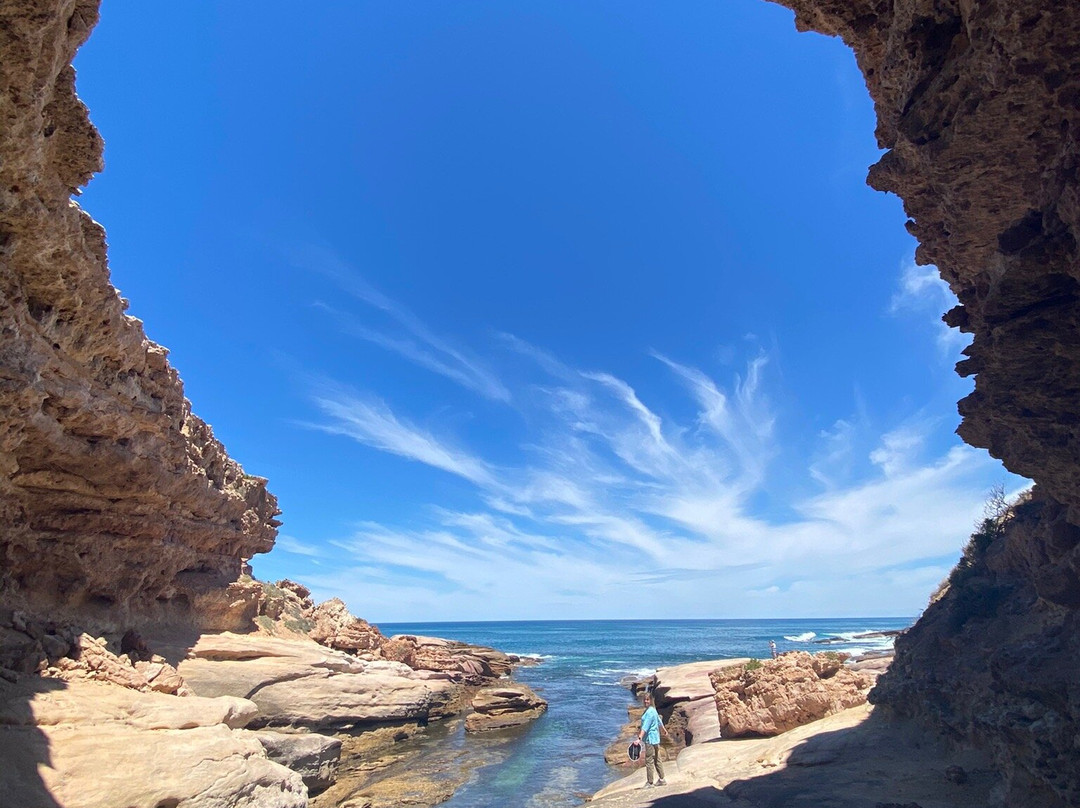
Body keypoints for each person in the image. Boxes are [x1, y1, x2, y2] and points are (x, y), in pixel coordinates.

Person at [636, 692, 669, 787]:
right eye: (644, 700)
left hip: (650, 739)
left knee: (649, 760)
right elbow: (659, 721)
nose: (646, 701)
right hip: (656, 738)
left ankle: (650, 782)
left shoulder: (649, 712)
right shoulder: (653, 710)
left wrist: (639, 738)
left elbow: (645, 727)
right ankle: (662, 779)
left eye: (647, 699)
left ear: (651, 700)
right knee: (657, 759)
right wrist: (664, 730)